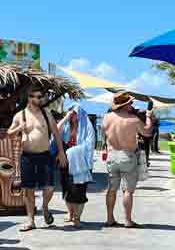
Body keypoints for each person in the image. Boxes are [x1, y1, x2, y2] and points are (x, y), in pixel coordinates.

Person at [8, 86, 67, 232]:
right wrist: (19, 128)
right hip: (27, 156)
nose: (40, 99)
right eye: (37, 97)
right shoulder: (20, 115)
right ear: (30, 98)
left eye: (41, 97)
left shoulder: (46, 114)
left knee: (50, 187)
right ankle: (30, 219)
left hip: (45, 155)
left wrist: (61, 152)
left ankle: (45, 207)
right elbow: (8, 133)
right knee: (28, 189)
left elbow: (56, 133)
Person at [102, 92, 153, 228]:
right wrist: (148, 118)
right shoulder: (133, 120)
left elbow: (105, 134)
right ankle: (128, 220)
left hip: (112, 155)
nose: (132, 105)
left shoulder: (106, 118)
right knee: (128, 191)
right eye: (130, 103)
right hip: (127, 155)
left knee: (112, 189)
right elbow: (147, 132)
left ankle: (109, 219)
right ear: (124, 105)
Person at [57, 105, 95, 228]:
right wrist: (66, 117)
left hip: (81, 161)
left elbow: (89, 144)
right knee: (67, 188)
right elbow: (56, 131)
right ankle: (70, 213)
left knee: (79, 190)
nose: (72, 116)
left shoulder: (87, 127)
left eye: (74, 113)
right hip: (66, 160)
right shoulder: (66, 126)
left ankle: (77, 218)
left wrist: (74, 151)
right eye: (70, 113)